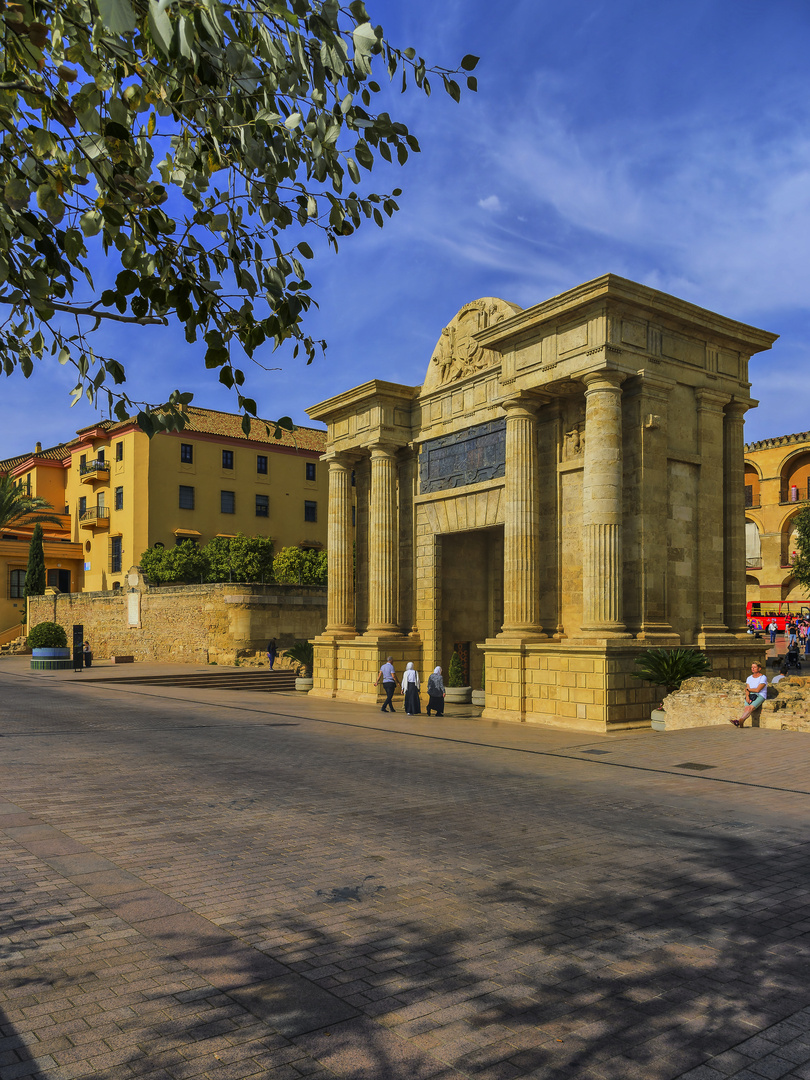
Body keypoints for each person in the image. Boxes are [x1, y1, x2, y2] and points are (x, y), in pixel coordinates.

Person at [731, 662, 768, 727]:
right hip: (750, 694)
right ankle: (740, 721)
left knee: (750, 708)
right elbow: (747, 689)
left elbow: (757, 690)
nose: (753, 669)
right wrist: (747, 696)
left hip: (760, 695)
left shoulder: (763, 677)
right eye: (752, 667)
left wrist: (749, 689)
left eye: (755, 667)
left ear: (759, 668)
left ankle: (740, 720)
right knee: (746, 708)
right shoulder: (749, 678)